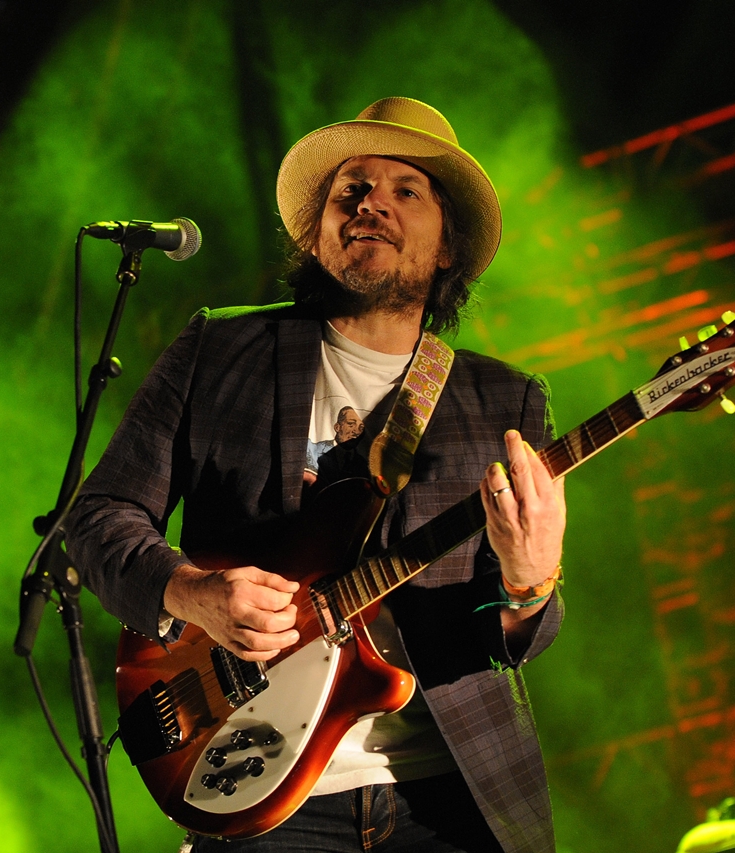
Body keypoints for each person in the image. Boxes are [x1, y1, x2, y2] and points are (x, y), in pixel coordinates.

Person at [66, 97, 566, 852]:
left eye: (406, 190)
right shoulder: (218, 349)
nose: (372, 203)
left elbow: (515, 637)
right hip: (258, 787)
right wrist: (193, 592)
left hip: (448, 798)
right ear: (317, 231)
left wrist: (532, 583)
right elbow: (98, 516)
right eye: (351, 188)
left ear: (446, 249)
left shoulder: (504, 400)